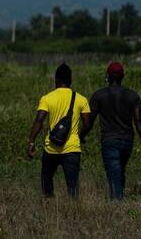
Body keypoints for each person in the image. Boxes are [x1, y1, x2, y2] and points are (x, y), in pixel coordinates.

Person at [79, 62, 141, 200]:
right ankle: (119, 199)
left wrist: (80, 137)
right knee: (119, 171)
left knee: (114, 173)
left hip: (110, 140)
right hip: (127, 141)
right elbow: (138, 121)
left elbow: (88, 123)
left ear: (108, 76)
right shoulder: (132, 96)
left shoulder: (99, 95)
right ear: (122, 76)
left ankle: (116, 205)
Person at [27, 63, 90, 198]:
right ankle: (74, 212)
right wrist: (80, 136)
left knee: (47, 182)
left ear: (56, 80)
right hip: (72, 148)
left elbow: (39, 121)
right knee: (73, 187)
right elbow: (87, 123)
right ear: (70, 80)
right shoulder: (81, 99)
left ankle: (49, 209)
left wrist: (31, 142)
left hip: (51, 148)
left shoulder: (47, 98)